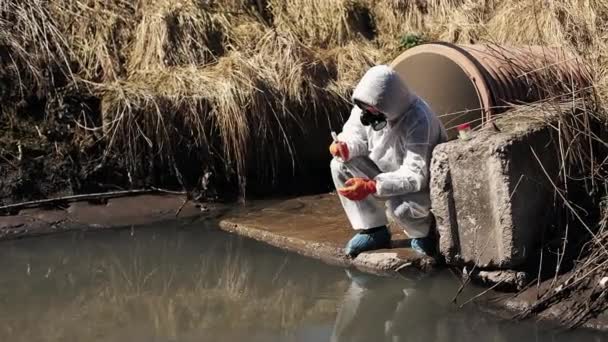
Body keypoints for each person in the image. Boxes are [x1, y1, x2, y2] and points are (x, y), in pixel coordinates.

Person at [329, 65, 447, 257]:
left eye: (373, 109)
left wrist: (372, 186)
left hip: (422, 185)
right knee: (339, 164)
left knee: (400, 210)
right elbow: (354, 133)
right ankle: (374, 230)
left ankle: (423, 234)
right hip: (383, 174)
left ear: (390, 103)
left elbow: (415, 175)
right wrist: (344, 146)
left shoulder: (420, 119)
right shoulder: (368, 105)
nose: (367, 113)